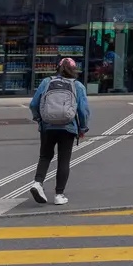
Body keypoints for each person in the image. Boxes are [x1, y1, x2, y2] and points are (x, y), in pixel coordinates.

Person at [29, 57, 90, 205]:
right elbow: (83, 110)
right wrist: (82, 128)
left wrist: (39, 119)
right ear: (74, 70)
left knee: (45, 156)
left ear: (58, 68)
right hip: (68, 127)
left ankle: (38, 183)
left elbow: (34, 104)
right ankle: (59, 195)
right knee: (64, 160)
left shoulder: (46, 82)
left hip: (47, 126)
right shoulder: (78, 86)